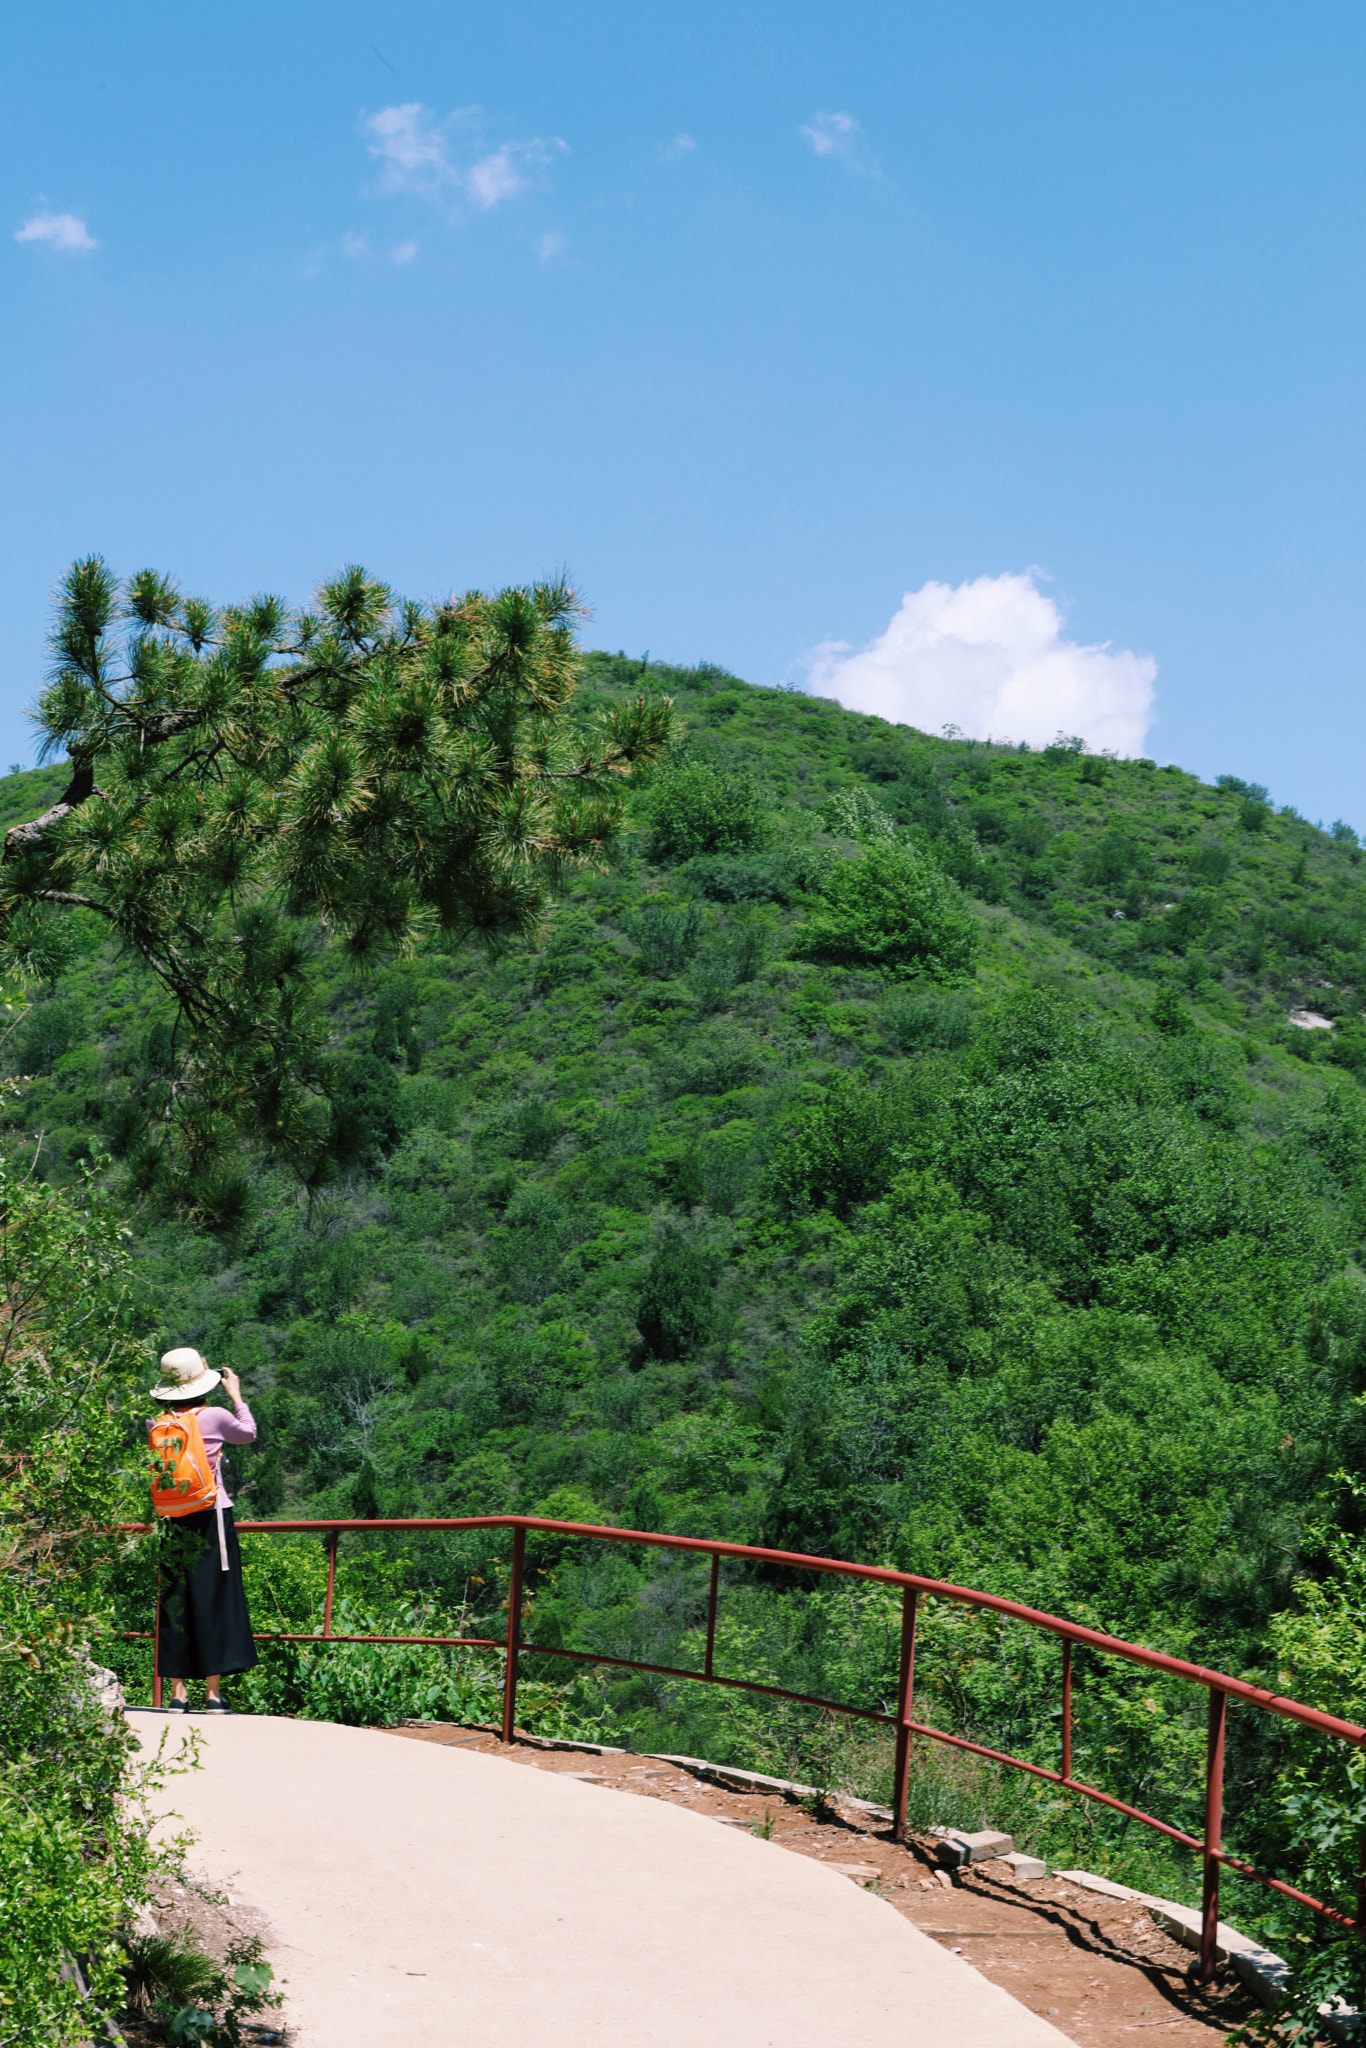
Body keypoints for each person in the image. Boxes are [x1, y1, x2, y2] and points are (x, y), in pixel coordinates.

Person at [149, 1346, 259, 1711]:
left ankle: (178, 1696)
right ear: (203, 1381)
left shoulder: (159, 1424)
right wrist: (236, 1395)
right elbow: (247, 1433)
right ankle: (212, 1695)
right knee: (215, 1597)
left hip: (171, 1517)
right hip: (211, 1513)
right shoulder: (214, 1416)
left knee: (176, 1599)